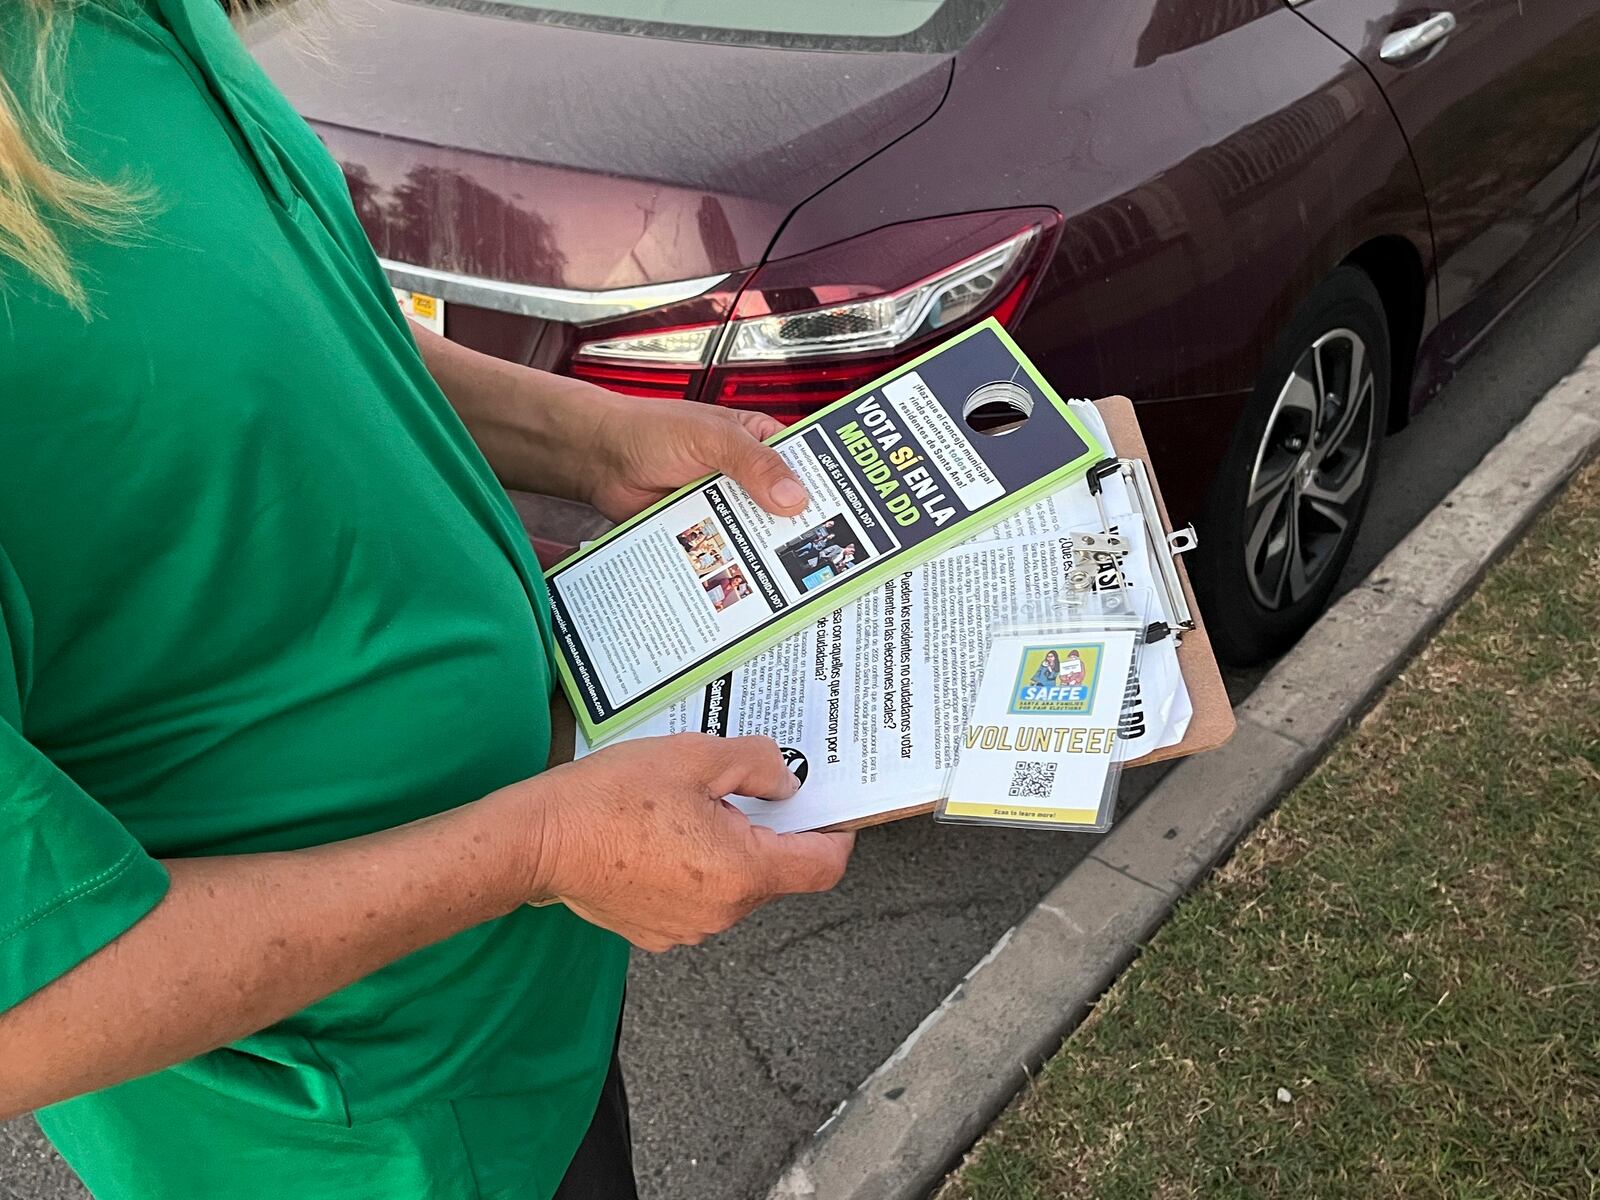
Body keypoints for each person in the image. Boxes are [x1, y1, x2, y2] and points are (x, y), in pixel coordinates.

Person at [0, 4, 855, 1199]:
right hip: (357, 1132)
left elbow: (285, 326)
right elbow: (24, 1014)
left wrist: (591, 438)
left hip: (516, 997)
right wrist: (539, 845)